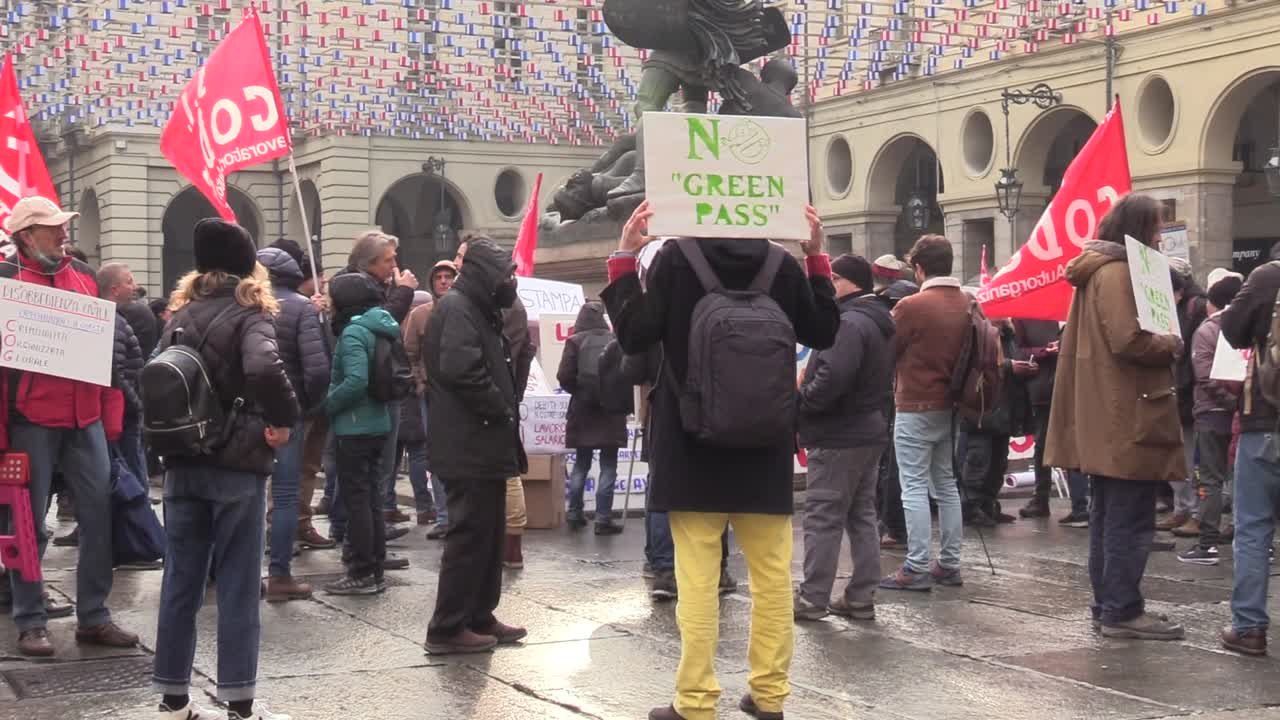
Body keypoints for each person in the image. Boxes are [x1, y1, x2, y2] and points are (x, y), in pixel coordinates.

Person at [603, 200, 839, 720]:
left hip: (691, 443)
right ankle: (770, 696)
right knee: (773, 578)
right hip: (765, 444)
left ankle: (694, 702)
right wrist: (816, 259)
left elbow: (635, 336)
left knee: (697, 578)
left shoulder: (676, 258)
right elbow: (823, 331)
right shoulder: (780, 263)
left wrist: (624, 257)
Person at [150, 218, 300, 720]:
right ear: (245, 266)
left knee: (181, 581)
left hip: (183, 462)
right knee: (237, 584)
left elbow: (152, 376)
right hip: (236, 464)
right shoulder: (250, 311)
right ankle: (240, 705)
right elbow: (262, 367)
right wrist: (282, 420)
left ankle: (173, 700)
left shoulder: (180, 314)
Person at [1045, 193, 1187, 641]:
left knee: (1110, 515)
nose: (1161, 235)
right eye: (1158, 227)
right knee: (1129, 517)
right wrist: (1170, 342)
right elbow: (1130, 341)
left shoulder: (1097, 271)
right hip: (1128, 410)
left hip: (1107, 413)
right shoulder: (1120, 272)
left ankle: (1110, 603)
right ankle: (1122, 610)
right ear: (1142, 229)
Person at [0, 197, 136, 658]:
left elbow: (105, 358)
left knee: (100, 518)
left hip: (85, 419)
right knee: (27, 525)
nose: (63, 235)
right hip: (29, 422)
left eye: (62, 227)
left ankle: (94, 617)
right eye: (52, 229)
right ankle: (30, 621)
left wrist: (110, 416)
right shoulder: (6, 283)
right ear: (25, 235)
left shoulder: (82, 279)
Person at [423, 237, 527, 654]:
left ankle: (480, 615)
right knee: (468, 536)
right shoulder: (459, 307)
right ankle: (447, 627)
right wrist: (500, 407)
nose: (512, 280)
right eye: (507, 273)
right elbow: (462, 370)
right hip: (468, 440)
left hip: (483, 441)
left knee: (488, 534)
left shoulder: (478, 306)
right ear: (487, 274)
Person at [794, 254, 894, 623]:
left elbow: (834, 377)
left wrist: (803, 397)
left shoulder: (848, 323)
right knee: (861, 514)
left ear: (843, 281)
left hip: (839, 432)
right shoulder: (876, 319)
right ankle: (861, 594)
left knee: (823, 516)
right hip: (868, 427)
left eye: (831, 279)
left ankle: (813, 597)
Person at [879, 235, 970, 592]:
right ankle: (949, 563)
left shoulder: (912, 306)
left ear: (918, 268)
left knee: (913, 485)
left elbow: (887, 351)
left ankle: (916, 565)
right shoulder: (968, 303)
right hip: (951, 405)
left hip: (915, 402)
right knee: (945, 484)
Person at [455, 239, 536, 564]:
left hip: (499, 405)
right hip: (491, 410)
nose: (456, 264)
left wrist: (501, 405)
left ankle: (512, 541)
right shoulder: (463, 306)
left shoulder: (507, 308)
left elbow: (502, 358)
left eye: (461, 257)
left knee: (509, 474)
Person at [257, 246, 331, 602]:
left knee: (248, 493)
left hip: (248, 412)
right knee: (285, 494)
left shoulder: (246, 304)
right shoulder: (302, 308)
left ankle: (239, 571)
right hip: (289, 412)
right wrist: (306, 404)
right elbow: (317, 369)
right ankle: (280, 574)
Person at [324, 271, 403, 595]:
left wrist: (328, 404)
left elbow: (356, 380)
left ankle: (361, 572)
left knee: (358, 501)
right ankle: (375, 568)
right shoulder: (379, 324)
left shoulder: (354, 332)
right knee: (371, 499)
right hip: (377, 423)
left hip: (355, 425)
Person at [1219, 247, 1280, 656]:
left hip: (1267, 423)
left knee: (1254, 528)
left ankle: (1249, 627)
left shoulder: (1267, 277)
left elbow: (1232, 328)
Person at [1178, 275, 1242, 565]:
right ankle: (1252, 541)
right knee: (1243, 478)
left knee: (1210, 479)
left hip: (1213, 415)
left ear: (1212, 303)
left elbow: (1205, 377)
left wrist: (1231, 403)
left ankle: (1208, 543)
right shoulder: (1251, 326)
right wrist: (1241, 405)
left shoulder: (1208, 330)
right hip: (1245, 416)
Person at [558, 301, 629, 535]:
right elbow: (627, 373)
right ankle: (603, 519)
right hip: (612, 411)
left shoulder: (574, 341)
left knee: (581, 464)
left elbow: (564, 376)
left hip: (583, 411)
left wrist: (580, 392)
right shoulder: (615, 341)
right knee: (609, 467)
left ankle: (575, 514)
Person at [960, 319, 1036, 527]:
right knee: (979, 460)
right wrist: (1011, 366)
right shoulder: (978, 333)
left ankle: (988, 505)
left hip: (1004, 409)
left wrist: (1024, 366)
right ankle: (970, 508)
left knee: (998, 463)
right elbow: (978, 365)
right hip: (984, 409)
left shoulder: (1008, 335)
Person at [404, 261, 458, 537]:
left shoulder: (465, 311)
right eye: (439, 277)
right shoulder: (420, 315)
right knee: (435, 454)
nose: (444, 281)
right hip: (432, 393)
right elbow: (410, 353)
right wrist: (420, 382)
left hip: (460, 392)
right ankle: (444, 516)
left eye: (449, 276)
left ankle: (458, 515)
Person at [1158, 259, 1208, 534]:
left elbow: (1191, 352)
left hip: (1187, 392)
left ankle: (1195, 513)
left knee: (1191, 456)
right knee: (1175, 455)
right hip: (1174, 390)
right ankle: (1182, 508)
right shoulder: (1178, 305)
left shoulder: (1194, 306)